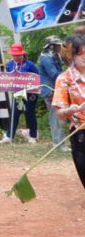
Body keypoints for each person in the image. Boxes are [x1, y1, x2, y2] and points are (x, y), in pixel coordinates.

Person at [52, 34, 85, 189]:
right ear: (71, 55)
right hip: (80, 133)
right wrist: (70, 111)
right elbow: (59, 113)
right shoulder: (64, 79)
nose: (84, 57)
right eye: (80, 54)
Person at [5, 42, 40, 142]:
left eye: (18, 55)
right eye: (14, 55)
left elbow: (37, 77)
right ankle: (9, 136)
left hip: (30, 93)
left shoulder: (30, 65)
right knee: (14, 113)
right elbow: (7, 78)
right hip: (17, 93)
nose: (16, 57)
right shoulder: (9, 65)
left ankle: (33, 136)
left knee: (29, 113)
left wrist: (33, 89)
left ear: (22, 54)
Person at [38, 35, 66, 147]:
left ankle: (60, 142)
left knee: (60, 116)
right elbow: (54, 74)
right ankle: (58, 143)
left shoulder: (53, 56)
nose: (60, 47)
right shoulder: (46, 58)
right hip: (50, 90)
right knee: (56, 117)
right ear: (51, 46)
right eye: (58, 45)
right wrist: (70, 74)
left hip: (55, 89)